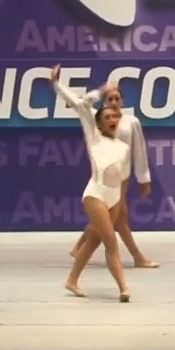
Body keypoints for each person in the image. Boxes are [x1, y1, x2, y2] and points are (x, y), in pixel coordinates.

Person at [51, 64, 132, 301]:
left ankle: (72, 280)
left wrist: (121, 199)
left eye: (114, 116)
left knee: (92, 243)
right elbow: (81, 104)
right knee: (111, 242)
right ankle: (123, 288)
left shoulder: (123, 147)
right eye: (107, 117)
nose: (112, 118)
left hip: (114, 198)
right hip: (95, 194)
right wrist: (57, 85)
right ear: (99, 123)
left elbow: (122, 176)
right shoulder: (94, 137)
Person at [68, 82, 158, 268]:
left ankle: (78, 248)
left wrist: (144, 179)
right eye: (110, 99)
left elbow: (139, 150)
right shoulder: (98, 118)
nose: (114, 102)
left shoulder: (132, 121)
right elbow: (79, 103)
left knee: (113, 217)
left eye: (117, 99)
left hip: (123, 177)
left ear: (123, 101)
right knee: (119, 218)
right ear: (105, 102)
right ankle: (138, 257)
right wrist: (57, 85)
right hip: (106, 178)